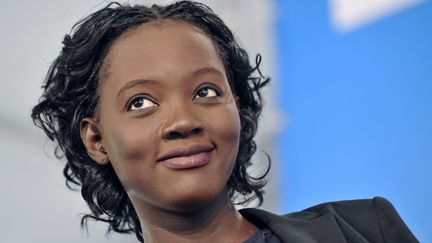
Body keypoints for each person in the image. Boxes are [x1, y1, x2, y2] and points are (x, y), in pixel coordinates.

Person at [31, 1, 418, 242]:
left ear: (239, 106)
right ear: (96, 139)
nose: (183, 120)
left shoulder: (366, 230)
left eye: (205, 92)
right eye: (141, 102)